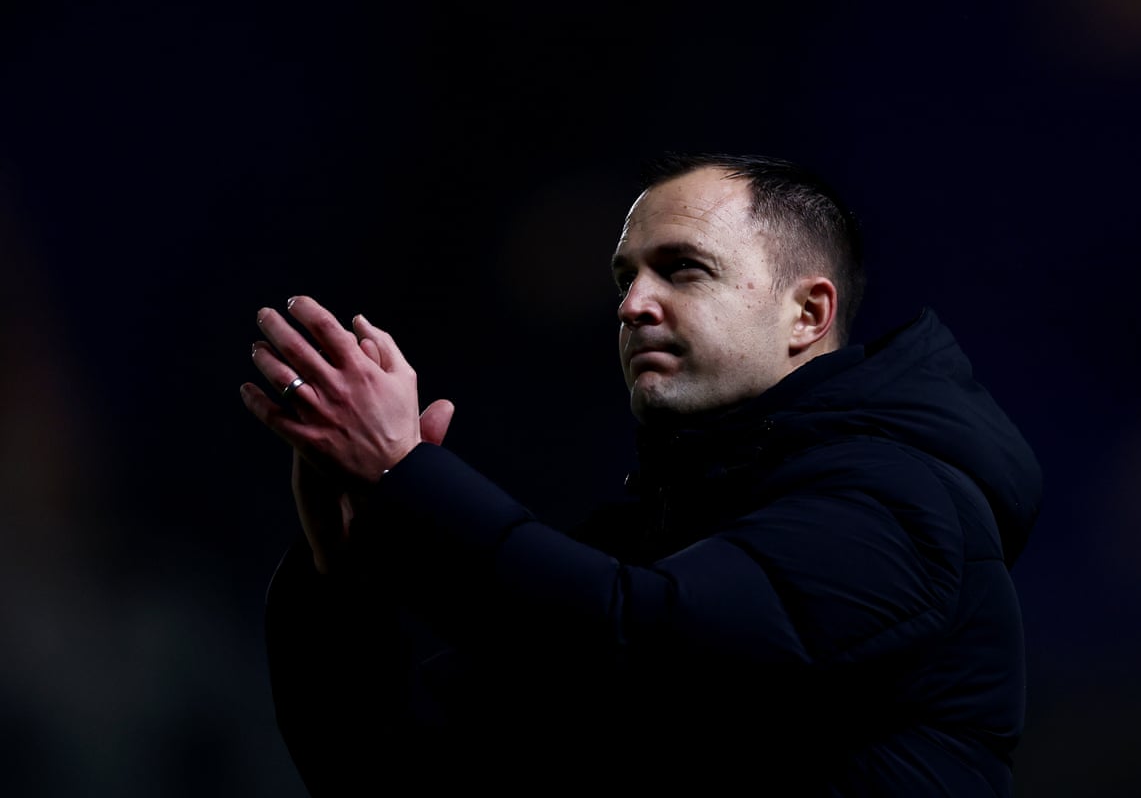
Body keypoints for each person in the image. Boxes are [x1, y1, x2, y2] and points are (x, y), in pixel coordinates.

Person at [241, 153, 1042, 795]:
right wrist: (342, 579)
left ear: (808, 314)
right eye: (627, 278)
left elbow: (645, 649)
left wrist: (408, 479)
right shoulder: (657, 531)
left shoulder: (903, 502)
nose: (631, 305)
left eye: (684, 269)